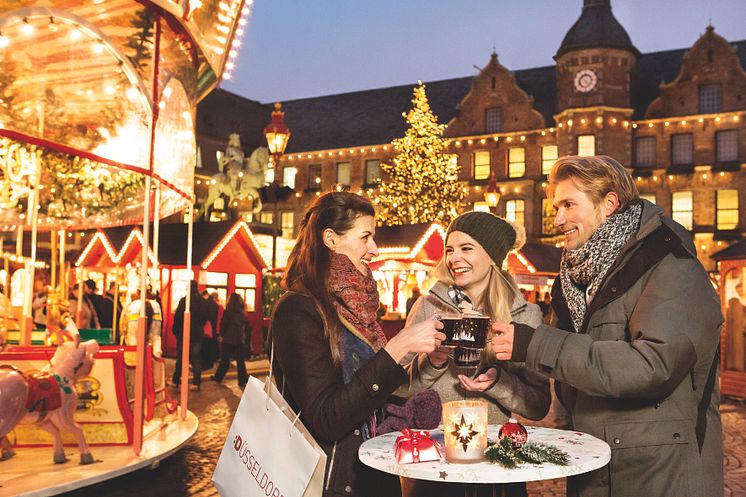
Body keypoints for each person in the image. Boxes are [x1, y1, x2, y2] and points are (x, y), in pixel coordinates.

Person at [490, 155, 723, 497]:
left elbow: (653, 366)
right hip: (595, 464)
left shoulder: (668, 264)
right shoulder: (573, 280)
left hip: (659, 472)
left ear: (609, 203)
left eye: (569, 204)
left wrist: (537, 344)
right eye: (556, 207)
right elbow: (574, 384)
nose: (558, 219)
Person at [270, 191, 445, 497]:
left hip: (374, 474)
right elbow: (327, 417)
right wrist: (396, 348)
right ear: (330, 239)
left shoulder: (359, 308)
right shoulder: (298, 309)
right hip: (332, 482)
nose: (374, 249)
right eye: (365, 237)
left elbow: (369, 395)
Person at [402, 211, 549, 497]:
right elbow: (397, 389)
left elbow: (538, 404)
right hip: (435, 464)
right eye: (450, 250)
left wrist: (498, 383)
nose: (454, 258)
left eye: (466, 248)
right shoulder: (428, 306)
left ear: (493, 255)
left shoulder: (525, 315)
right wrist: (432, 363)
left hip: (496, 466)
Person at [171, 281, 210, 391]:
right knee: (196, 359)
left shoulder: (185, 301)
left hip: (184, 333)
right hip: (197, 334)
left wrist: (175, 329)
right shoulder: (202, 302)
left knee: (181, 358)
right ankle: (196, 383)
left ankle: (176, 380)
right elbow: (205, 318)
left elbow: (178, 317)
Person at [212, 292, 249, 387]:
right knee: (240, 362)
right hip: (239, 340)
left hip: (228, 340)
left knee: (225, 360)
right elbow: (246, 326)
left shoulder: (228, 311)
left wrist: (221, 334)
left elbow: (224, 324)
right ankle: (242, 380)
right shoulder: (242, 312)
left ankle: (218, 377)